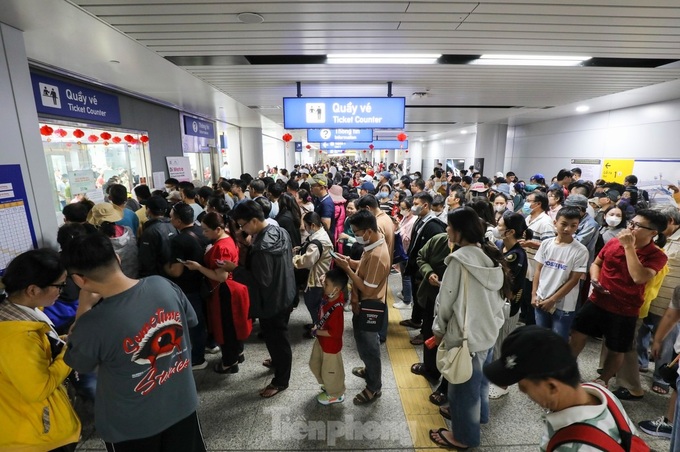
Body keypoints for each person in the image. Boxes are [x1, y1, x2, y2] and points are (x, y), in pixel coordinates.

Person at [62, 233, 206, 451]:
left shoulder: (92, 323)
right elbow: (191, 320)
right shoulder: (163, 285)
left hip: (129, 425)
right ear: (118, 259)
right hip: (181, 405)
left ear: (80, 280)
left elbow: (79, 363)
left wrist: (83, 309)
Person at [483, 325, 648, 451]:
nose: (522, 391)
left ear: (552, 387)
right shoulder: (601, 393)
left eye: (524, 387)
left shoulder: (576, 447)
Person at [428, 207, 510, 450]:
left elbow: (446, 301)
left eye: (450, 226)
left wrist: (438, 329)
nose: (447, 230)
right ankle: (479, 416)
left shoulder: (459, 260)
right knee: (480, 382)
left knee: (462, 389)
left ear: (460, 231)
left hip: (465, 336)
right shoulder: (490, 257)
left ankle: (464, 437)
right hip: (486, 332)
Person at [570, 210, 669, 387]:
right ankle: (567, 368)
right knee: (578, 332)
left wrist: (629, 247)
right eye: (631, 223)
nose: (630, 227)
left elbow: (639, 277)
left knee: (617, 348)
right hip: (597, 300)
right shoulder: (614, 242)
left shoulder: (657, 256)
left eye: (637, 226)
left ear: (653, 233)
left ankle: (603, 381)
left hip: (625, 308)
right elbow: (597, 263)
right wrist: (594, 278)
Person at [0, 249, 81, 452]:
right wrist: (69, 352)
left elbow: (39, 349)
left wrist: (61, 341)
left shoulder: (17, 310)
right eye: (59, 285)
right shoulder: (17, 337)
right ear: (33, 290)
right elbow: (39, 388)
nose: (63, 291)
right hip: (35, 438)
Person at [224, 200, 297, 398]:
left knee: (277, 340)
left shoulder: (262, 247)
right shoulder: (280, 231)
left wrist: (235, 269)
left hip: (272, 301)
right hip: (286, 292)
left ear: (254, 220)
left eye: (242, 224)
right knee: (277, 338)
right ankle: (276, 362)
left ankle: (281, 380)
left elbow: (261, 281)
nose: (242, 228)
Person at [333, 210, 391, 405]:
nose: (355, 235)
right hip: (362, 303)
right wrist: (349, 261)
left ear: (367, 231)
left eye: (356, 231)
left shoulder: (377, 254)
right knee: (362, 342)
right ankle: (369, 370)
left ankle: (374, 387)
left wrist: (347, 269)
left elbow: (367, 287)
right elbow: (364, 268)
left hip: (369, 305)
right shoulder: (373, 242)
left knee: (370, 346)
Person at [184, 212, 250, 374]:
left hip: (225, 291)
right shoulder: (226, 238)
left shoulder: (222, 247)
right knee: (234, 325)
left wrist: (198, 267)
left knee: (226, 327)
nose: (203, 233)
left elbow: (221, 276)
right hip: (231, 288)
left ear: (218, 229)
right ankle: (237, 353)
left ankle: (229, 362)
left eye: (206, 230)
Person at [487, 212, 530, 399]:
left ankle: (502, 384)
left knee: (502, 345)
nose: (497, 227)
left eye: (500, 224)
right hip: (497, 303)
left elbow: (504, 281)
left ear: (510, 231)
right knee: (495, 343)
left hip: (508, 306)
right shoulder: (501, 247)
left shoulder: (517, 256)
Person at [164, 202, 211, 369]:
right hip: (206, 281)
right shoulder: (203, 231)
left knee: (195, 322)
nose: (170, 221)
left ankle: (198, 358)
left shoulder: (178, 240)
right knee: (206, 316)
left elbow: (176, 272)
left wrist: (165, 267)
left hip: (189, 286)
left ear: (178, 221)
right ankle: (211, 344)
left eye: (171, 218)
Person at [532, 207, 589, 340]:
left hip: (563, 305)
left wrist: (552, 300)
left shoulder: (580, 250)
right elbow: (538, 269)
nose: (568, 229)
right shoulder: (546, 244)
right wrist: (534, 294)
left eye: (573, 225)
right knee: (541, 339)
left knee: (558, 343)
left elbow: (574, 280)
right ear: (555, 222)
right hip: (541, 299)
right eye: (564, 224)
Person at [309, 268, 349, 405]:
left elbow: (335, 333)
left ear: (336, 289)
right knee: (315, 364)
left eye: (326, 284)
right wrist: (325, 279)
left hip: (331, 347)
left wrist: (316, 331)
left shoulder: (337, 308)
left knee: (331, 371)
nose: (323, 285)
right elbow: (328, 283)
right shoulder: (331, 295)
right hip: (322, 341)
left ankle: (336, 394)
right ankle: (328, 385)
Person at [294, 212, 333, 338]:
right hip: (318, 275)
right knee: (314, 303)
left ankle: (318, 328)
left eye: (306, 226)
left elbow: (306, 261)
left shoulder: (318, 241)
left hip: (316, 278)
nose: (304, 229)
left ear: (313, 225)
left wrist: (294, 259)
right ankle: (315, 323)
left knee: (313, 304)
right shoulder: (320, 234)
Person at [138, 195, 176, 277]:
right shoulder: (173, 225)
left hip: (157, 274)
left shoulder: (150, 231)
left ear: (148, 210)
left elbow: (146, 260)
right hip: (171, 271)